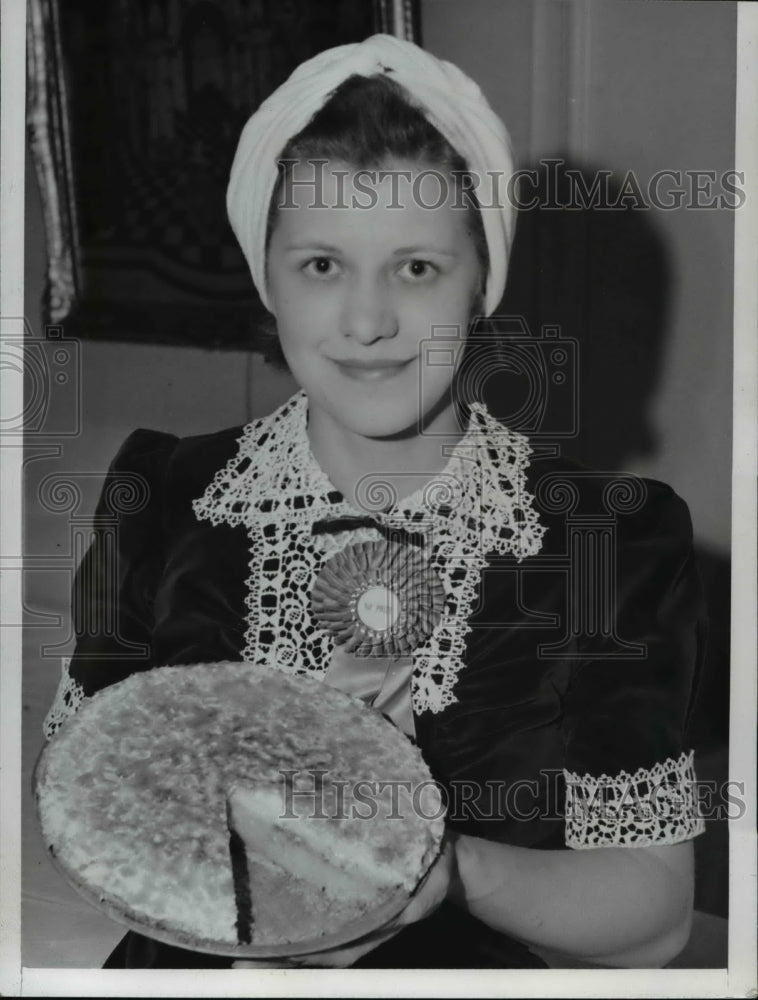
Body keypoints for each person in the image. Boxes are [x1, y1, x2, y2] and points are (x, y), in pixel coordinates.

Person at [43, 34, 707, 969]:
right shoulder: (162, 495)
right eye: (322, 265)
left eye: (417, 268)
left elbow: (653, 922)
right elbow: (89, 804)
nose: (366, 321)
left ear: (482, 284)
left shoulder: (611, 542)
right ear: (265, 277)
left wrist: (449, 872)